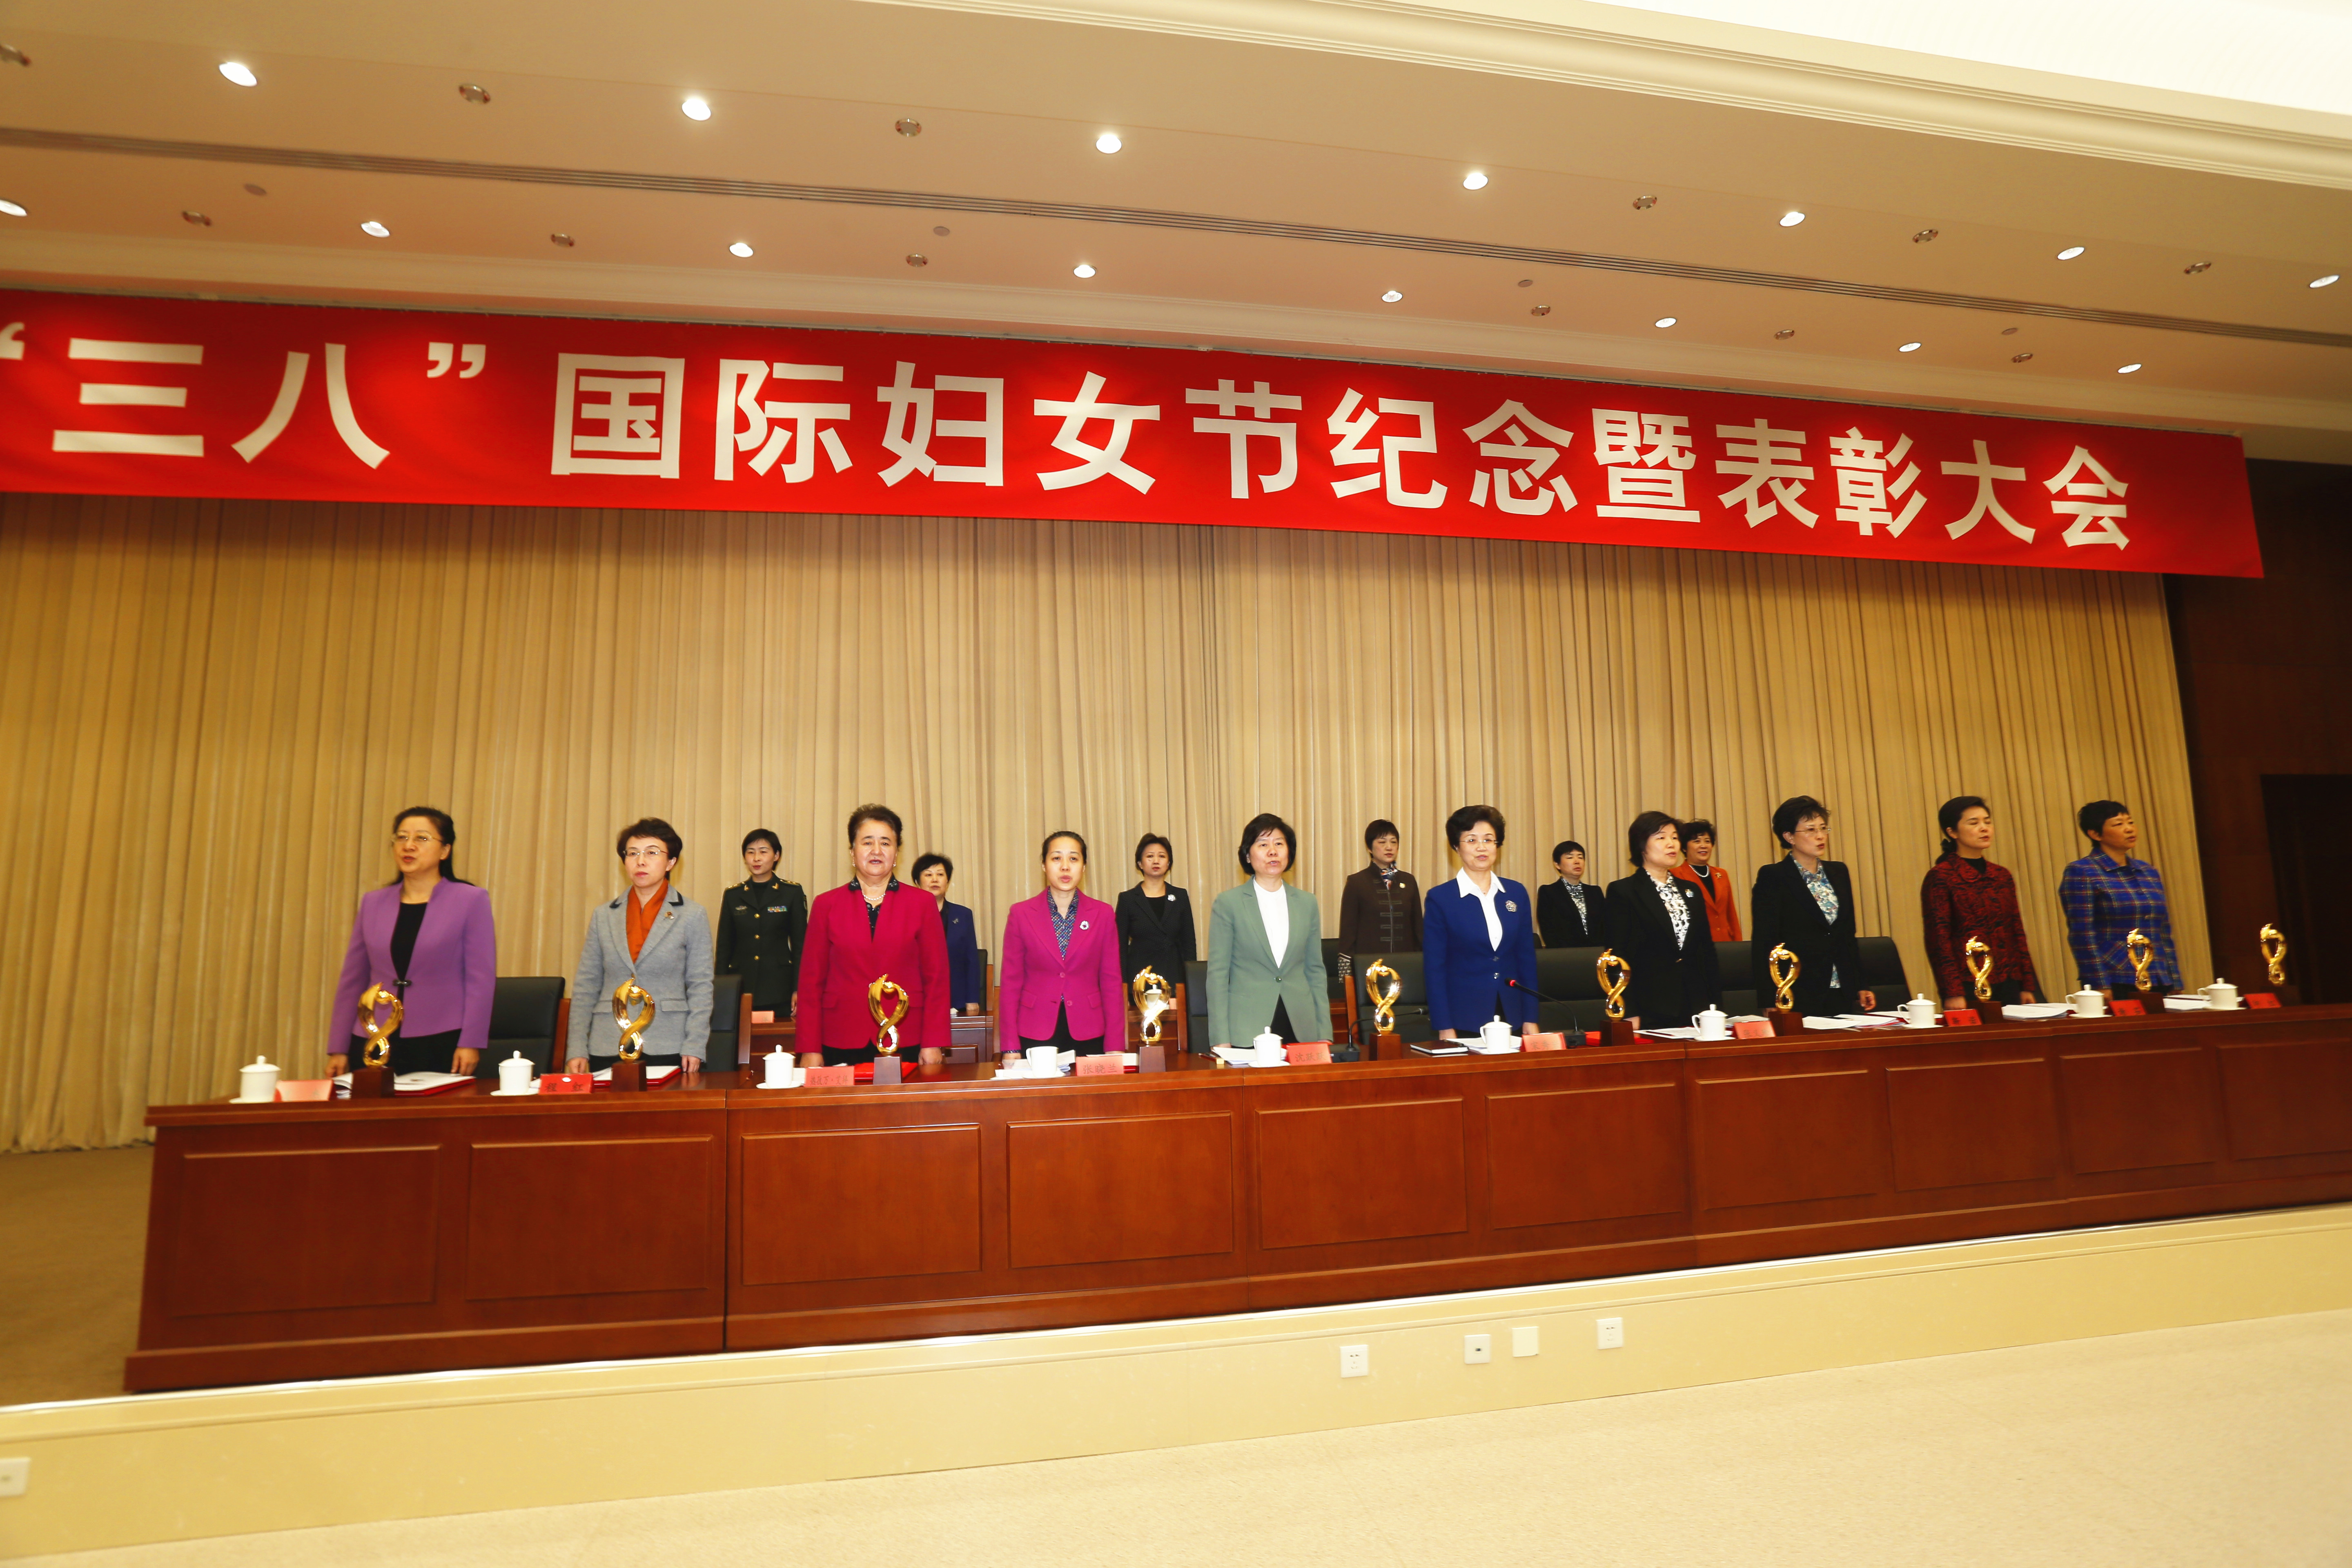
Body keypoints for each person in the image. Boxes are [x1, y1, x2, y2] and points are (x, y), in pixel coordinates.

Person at [329, 807, 497, 1077]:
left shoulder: (470, 900)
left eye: (422, 838)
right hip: (374, 1035)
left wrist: (471, 1042)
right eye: (402, 837)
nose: (409, 846)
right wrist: (338, 1047)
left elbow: (481, 979)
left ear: (445, 851)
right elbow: (353, 979)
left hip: (441, 1037)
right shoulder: (373, 903)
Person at [796, 804, 951, 1067]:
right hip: (841, 1035)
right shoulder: (826, 905)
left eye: (886, 843)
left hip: (906, 1033)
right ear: (853, 852)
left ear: (896, 853)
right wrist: (810, 1047)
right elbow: (811, 982)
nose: (877, 850)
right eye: (867, 842)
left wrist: (934, 1041)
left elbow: (937, 978)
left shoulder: (922, 904)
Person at [565, 817, 714, 1076]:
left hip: (669, 1041)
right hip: (608, 1040)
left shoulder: (692, 915)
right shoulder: (604, 915)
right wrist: (577, 1047)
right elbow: (586, 985)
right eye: (633, 853)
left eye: (652, 853)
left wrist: (695, 1044)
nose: (641, 861)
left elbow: (701, 986)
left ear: (671, 862)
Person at [996, 831, 1128, 1058]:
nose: (1065, 867)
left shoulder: (1103, 914)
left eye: (1073, 859)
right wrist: (1010, 1046)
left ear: (1084, 867)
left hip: (1090, 1029)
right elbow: (1010, 983)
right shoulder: (1021, 914)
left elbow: (1112, 982)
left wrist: (1115, 1045)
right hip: (1035, 1028)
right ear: (1044, 865)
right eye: (1057, 858)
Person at [1206, 813, 1328, 1050]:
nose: (1273, 851)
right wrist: (1221, 1039)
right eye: (1263, 845)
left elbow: (1315, 971)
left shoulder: (1307, 903)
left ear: (1289, 852)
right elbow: (1218, 974)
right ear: (1248, 855)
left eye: (1279, 844)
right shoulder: (1229, 903)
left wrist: (1324, 1033)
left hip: (1301, 1026)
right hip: (1247, 1027)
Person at [1749, 796, 1877, 1016]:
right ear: (1789, 836)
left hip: (1841, 987)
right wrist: (1770, 997)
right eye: (1810, 830)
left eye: (1823, 828)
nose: (1820, 836)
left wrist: (1861, 984)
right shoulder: (1774, 876)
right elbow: (1765, 942)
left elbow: (1848, 935)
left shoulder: (1839, 872)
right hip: (1797, 988)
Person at [1423, 806, 1539, 1040]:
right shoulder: (1441, 899)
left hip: (1513, 1013)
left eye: (1488, 840)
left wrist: (1531, 1017)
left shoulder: (1516, 893)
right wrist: (1444, 1026)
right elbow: (1435, 969)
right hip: (1463, 1016)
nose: (1481, 847)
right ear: (1456, 847)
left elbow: (1527, 960)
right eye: (1471, 840)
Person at [1921, 796, 2042, 1011]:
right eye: (1974, 823)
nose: (1984, 828)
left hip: (2010, 979)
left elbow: (2016, 932)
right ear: (1953, 832)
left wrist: (2027, 986)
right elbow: (1938, 940)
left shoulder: (2001, 875)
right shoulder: (1941, 876)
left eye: (1987, 822)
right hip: (1969, 982)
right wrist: (1952, 992)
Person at [1603, 812, 1719, 1029]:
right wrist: (1628, 1010)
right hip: (1649, 1005)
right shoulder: (1624, 891)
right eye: (1661, 838)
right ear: (1641, 846)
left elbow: (1706, 950)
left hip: (1696, 1003)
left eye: (1674, 837)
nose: (1671, 844)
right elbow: (1617, 956)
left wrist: (1715, 1004)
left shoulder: (1691, 890)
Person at [2060, 800, 2182, 998]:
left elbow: (2163, 930)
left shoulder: (2148, 871)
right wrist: (2099, 983)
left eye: (2130, 822)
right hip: (2115, 976)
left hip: (2158, 974)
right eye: (2118, 824)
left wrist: (2175, 980)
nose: (2129, 829)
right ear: (2095, 834)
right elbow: (2082, 934)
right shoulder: (2082, 872)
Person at [714, 829, 807, 1018]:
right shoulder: (733, 895)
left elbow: (801, 947)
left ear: (776, 856)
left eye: (763, 852)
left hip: (779, 988)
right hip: (741, 987)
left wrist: (799, 988)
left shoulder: (791, 892)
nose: (756, 858)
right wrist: (720, 990)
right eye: (751, 852)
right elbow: (724, 948)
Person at [1334, 818, 1421, 974]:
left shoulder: (1409, 881)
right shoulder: (1357, 882)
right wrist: (1346, 975)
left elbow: (1418, 929)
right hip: (1369, 967)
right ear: (1369, 847)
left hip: (1406, 965)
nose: (1389, 847)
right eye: (1382, 842)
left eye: (1394, 842)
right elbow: (1348, 933)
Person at [1115, 833, 1196, 985]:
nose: (1156, 861)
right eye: (1150, 856)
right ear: (1140, 863)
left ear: (1169, 863)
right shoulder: (1128, 899)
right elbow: (1119, 947)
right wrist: (1123, 984)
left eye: (1162, 856)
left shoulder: (1180, 896)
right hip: (1139, 978)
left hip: (1174, 976)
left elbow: (1189, 943)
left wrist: (1191, 981)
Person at [914, 853, 984, 1014]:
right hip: (918, 998)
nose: (935, 880)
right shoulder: (907, 915)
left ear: (947, 881)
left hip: (956, 999)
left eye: (940, 875)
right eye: (928, 875)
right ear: (917, 882)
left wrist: (972, 999)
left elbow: (971, 960)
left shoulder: (963, 915)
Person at [1673, 819, 1743, 941]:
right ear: (1684, 848)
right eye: (1697, 841)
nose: (1704, 846)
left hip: (1726, 943)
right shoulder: (1675, 875)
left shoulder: (1722, 874)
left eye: (1707, 841)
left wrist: (1738, 944)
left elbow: (1731, 915)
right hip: (1696, 945)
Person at [1536, 840, 1604, 947]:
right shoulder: (1549, 892)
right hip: (1565, 954)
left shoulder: (1595, 892)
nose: (1577, 862)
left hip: (1596, 952)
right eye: (1570, 858)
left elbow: (1605, 925)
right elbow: (1548, 930)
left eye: (1580, 857)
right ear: (1557, 865)